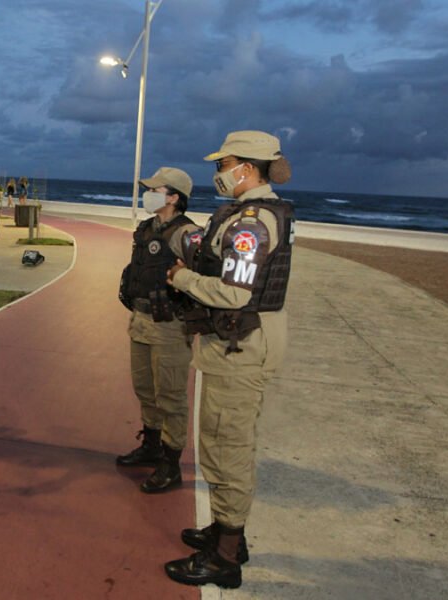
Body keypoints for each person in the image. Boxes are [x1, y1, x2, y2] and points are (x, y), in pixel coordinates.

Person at [163, 131, 295, 589]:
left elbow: (235, 293)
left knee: (227, 449)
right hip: (237, 346)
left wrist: (181, 279)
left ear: (248, 168)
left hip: (241, 350)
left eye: (226, 163)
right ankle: (224, 532)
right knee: (221, 442)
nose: (219, 173)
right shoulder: (248, 215)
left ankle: (225, 557)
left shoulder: (251, 223)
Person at [116, 167, 201, 495]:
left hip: (169, 326)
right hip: (140, 319)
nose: (147, 194)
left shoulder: (189, 234)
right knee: (145, 388)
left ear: (174, 197)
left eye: (155, 189)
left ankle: (170, 463)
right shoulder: (146, 228)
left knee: (171, 396)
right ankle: (151, 445)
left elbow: (201, 280)